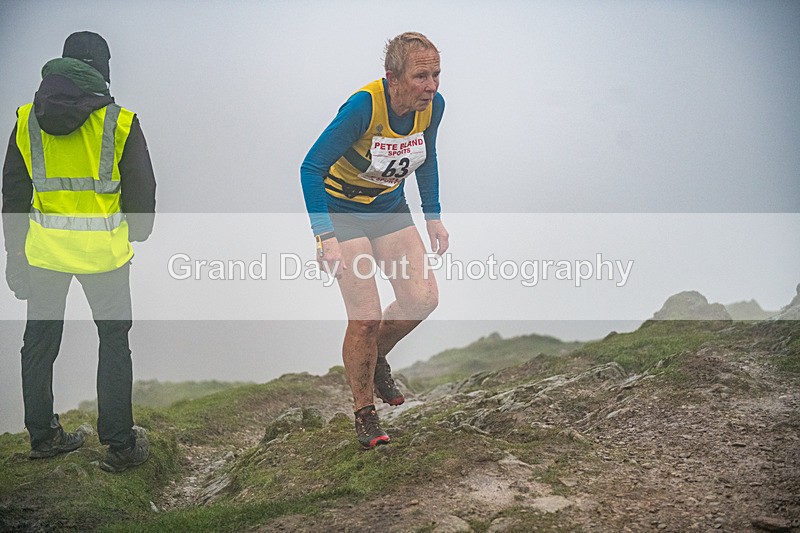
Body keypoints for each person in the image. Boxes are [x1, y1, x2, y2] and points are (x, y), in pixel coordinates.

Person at [2, 31, 156, 472]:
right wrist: (139, 232)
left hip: (44, 252)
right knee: (113, 341)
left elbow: (13, 194)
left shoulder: (27, 118)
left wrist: (15, 257)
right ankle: (121, 445)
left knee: (39, 341)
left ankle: (43, 436)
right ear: (101, 68)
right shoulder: (120, 121)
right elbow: (141, 191)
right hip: (103, 255)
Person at [300, 32, 449, 449]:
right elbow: (310, 168)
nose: (431, 85)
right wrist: (324, 235)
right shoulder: (363, 107)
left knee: (422, 298)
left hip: (388, 209)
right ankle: (364, 413)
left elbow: (427, 157)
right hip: (341, 214)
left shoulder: (432, 107)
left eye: (436, 74)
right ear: (392, 78)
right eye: (421, 76)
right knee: (364, 318)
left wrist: (433, 217)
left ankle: (375, 356)